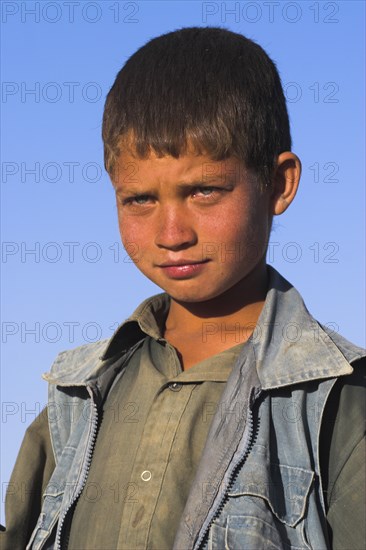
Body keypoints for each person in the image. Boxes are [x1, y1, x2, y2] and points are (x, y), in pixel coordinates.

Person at [2, 26, 365, 550]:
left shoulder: (334, 403)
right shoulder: (77, 397)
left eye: (204, 191)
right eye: (139, 200)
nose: (172, 235)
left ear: (279, 184)